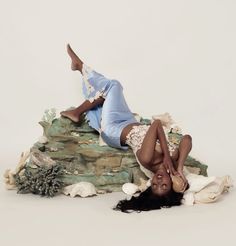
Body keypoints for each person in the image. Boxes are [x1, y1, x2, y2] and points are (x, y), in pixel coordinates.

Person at [61, 44, 192, 212]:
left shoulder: (148, 160)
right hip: (129, 120)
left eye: (155, 186)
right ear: (172, 185)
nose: (159, 181)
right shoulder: (173, 163)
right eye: (164, 185)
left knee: (113, 86)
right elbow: (187, 139)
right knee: (109, 91)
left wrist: (166, 156)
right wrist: (179, 166)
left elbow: (156, 125)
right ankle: (78, 99)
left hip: (114, 130)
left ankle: (79, 74)